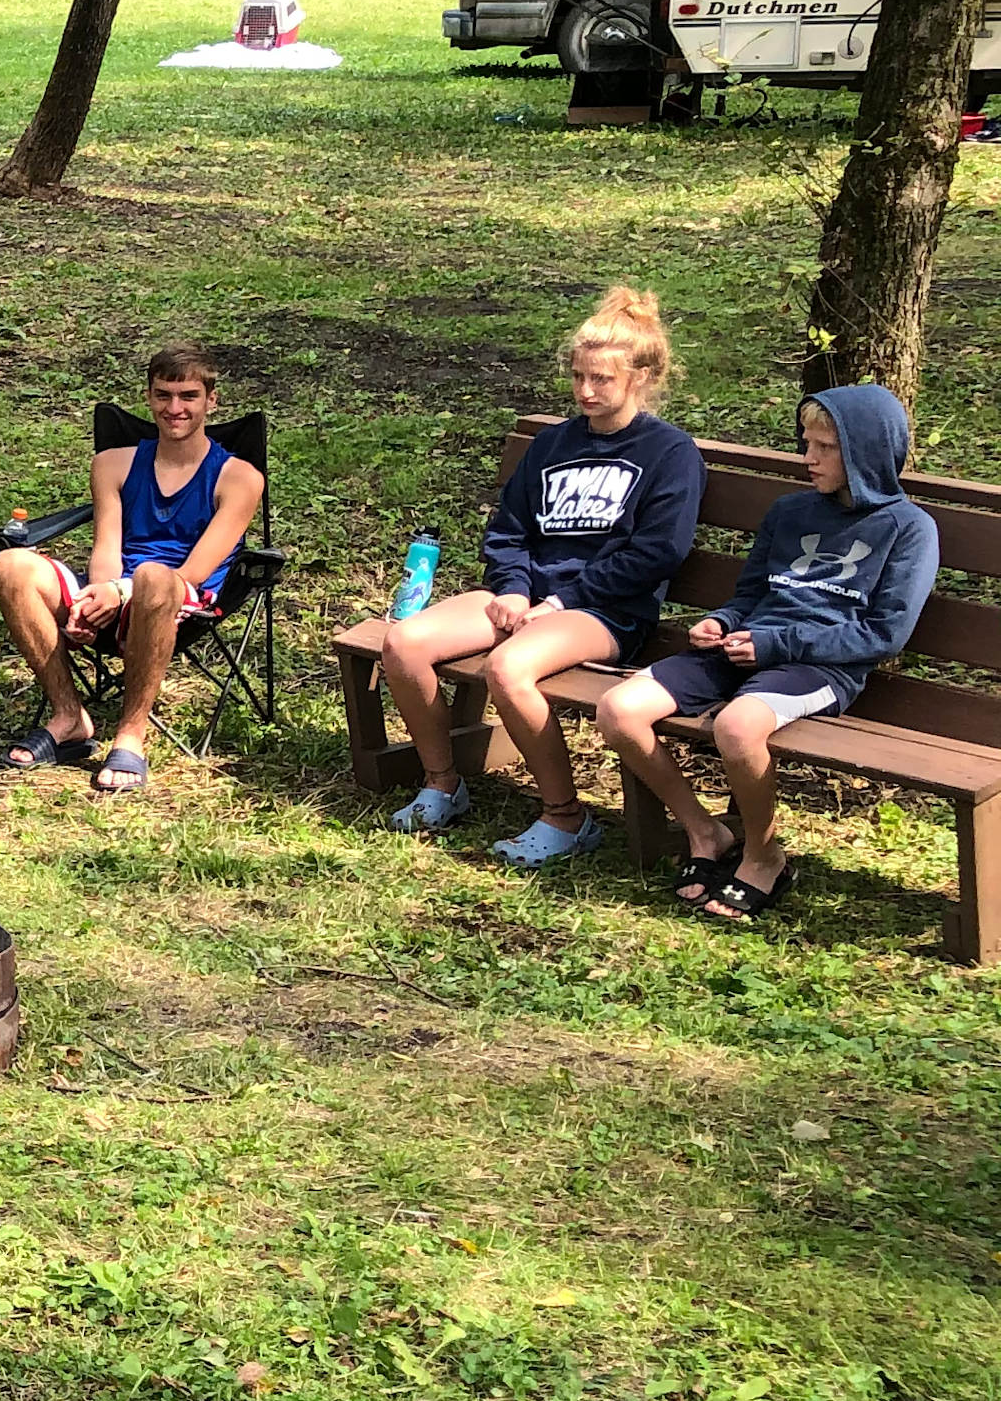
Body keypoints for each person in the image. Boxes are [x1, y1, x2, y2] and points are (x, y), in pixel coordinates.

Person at [373, 288, 703, 866]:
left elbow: (657, 554)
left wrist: (558, 601)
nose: (585, 391)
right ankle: (442, 783)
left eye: (600, 379)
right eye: (578, 376)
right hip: (526, 599)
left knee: (508, 666)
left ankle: (565, 817)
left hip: (603, 609)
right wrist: (513, 587)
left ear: (642, 377)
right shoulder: (553, 443)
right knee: (402, 642)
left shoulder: (669, 453)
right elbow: (509, 528)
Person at [600, 385, 938, 924]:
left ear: (865, 452)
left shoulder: (908, 529)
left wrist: (773, 644)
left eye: (824, 447)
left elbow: (884, 635)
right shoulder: (789, 512)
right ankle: (704, 831)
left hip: (820, 665)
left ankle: (764, 856)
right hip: (746, 647)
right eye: (807, 443)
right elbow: (752, 593)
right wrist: (721, 622)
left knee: (736, 728)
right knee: (618, 711)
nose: (808, 458)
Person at [0, 343, 266, 793]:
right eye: (164, 395)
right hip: (116, 589)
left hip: (177, 597)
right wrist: (95, 597)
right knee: (11, 564)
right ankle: (69, 718)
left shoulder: (241, 478)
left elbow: (192, 573)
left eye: (188, 396)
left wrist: (122, 590)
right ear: (150, 397)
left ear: (211, 401)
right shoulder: (112, 464)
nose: (175, 408)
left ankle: (131, 734)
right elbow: (107, 546)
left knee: (154, 575)